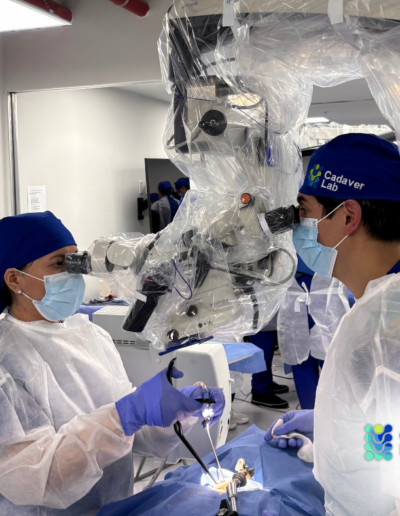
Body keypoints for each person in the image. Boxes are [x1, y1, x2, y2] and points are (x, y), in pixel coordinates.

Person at [0, 211, 225, 515]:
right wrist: (126, 413)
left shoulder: (90, 335)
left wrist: (177, 412)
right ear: (14, 279)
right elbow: (34, 478)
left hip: (118, 505)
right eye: (58, 264)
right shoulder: (6, 360)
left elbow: (127, 436)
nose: (73, 274)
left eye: (76, 261)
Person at [265, 133, 400, 516]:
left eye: (304, 212)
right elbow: (386, 434)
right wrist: (340, 431)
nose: (298, 229)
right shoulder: (376, 306)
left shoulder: (384, 330)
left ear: (348, 216)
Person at [277, 255, 350, 409]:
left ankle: (324, 415)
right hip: (300, 302)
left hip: (326, 302)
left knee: (333, 362)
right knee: (303, 360)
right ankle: (313, 416)